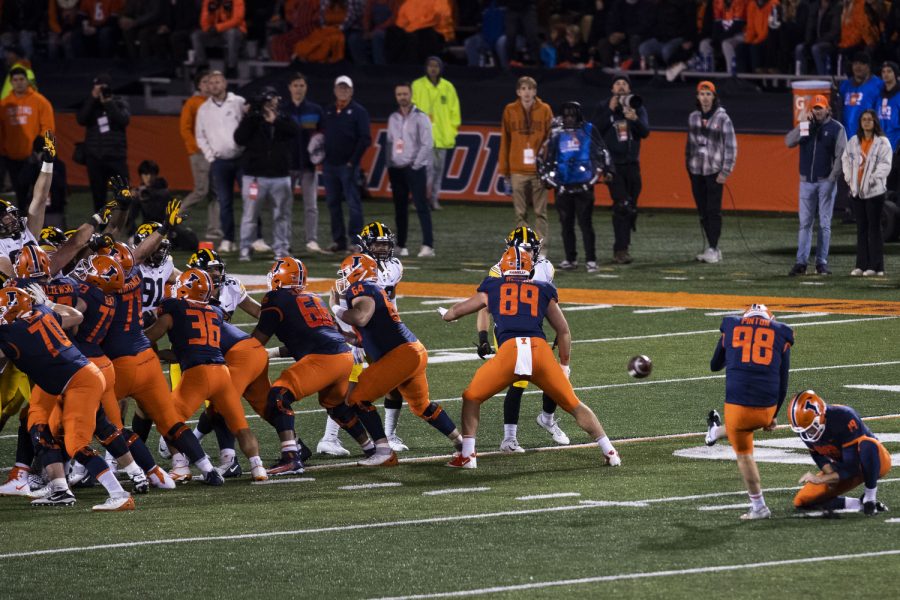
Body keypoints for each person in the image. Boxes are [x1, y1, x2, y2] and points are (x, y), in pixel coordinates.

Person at [441, 246, 621, 469]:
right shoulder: (543, 289)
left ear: (503, 267)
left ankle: (468, 456)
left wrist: (446, 315)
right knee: (573, 404)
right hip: (539, 351)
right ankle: (610, 451)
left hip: (510, 352)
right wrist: (564, 364)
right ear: (530, 267)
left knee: (471, 397)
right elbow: (563, 331)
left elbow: (456, 312)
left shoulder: (493, 286)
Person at [0, 286, 135, 510]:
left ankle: (119, 494)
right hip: (79, 376)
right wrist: (50, 304)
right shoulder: (42, 311)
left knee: (76, 444)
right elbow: (76, 316)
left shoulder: (10, 333)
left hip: (78, 382)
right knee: (40, 424)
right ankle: (60, 490)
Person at [331, 253, 464, 466]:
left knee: (356, 398)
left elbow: (361, 317)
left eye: (346, 273)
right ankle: (463, 447)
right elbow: (365, 337)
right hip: (413, 351)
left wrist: (336, 308)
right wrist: (339, 331)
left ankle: (383, 451)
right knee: (422, 406)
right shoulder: (372, 289)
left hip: (401, 355)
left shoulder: (362, 287)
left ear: (359, 271)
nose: (344, 278)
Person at [144, 268, 268, 482]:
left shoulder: (174, 308)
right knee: (240, 425)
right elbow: (194, 346)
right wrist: (165, 354)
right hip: (221, 372)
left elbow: (150, 337)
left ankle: (181, 466)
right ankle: (258, 467)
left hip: (197, 375)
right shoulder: (215, 311)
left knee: (167, 417)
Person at [251, 257, 357, 474]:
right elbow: (309, 338)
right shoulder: (313, 297)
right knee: (336, 405)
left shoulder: (275, 297)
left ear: (278, 278)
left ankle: (291, 456)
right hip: (344, 355)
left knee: (278, 396)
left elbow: (256, 341)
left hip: (323, 358)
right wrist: (273, 352)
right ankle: (372, 446)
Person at [475, 227, 571, 453]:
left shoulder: (545, 267)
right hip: (508, 331)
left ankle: (547, 418)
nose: (528, 253)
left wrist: (559, 330)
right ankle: (509, 439)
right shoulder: (499, 271)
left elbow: (550, 303)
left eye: (531, 249)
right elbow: (483, 306)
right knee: (518, 382)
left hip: (534, 328)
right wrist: (482, 337)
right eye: (524, 249)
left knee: (555, 376)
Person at [704, 303, 793, 520]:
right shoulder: (781, 332)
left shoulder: (732, 325)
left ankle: (759, 506)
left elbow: (715, 365)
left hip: (737, 408)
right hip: (766, 406)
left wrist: (734, 349)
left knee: (744, 452)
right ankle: (713, 432)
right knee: (740, 428)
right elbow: (783, 382)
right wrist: (772, 416)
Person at [788, 390, 891, 516]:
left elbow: (852, 467)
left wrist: (822, 479)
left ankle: (870, 498)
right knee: (802, 501)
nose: (808, 433)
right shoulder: (805, 429)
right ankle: (859, 504)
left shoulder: (843, 416)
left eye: (811, 427)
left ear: (820, 414)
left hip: (875, 462)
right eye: (805, 430)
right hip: (842, 467)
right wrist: (830, 474)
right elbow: (817, 454)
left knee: (867, 444)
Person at [541, 101, 612, 273]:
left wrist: (607, 170)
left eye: (573, 115)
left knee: (585, 223)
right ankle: (570, 258)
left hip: (584, 184)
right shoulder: (557, 132)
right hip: (563, 184)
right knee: (566, 224)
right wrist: (547, 176)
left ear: (578, 115)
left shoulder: (588, 129)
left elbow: (602, 150)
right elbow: (548, 155)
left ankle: (591, 259)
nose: (570, 118)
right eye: (567, 115)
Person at [233, 86, 300, 262]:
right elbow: (239, 138)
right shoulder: (253, 119)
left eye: (273, 99)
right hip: (255, 176)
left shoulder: (284, 118)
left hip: (280, 176)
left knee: (282, 215)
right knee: (250, 215)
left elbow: (295, 132)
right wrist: (251, 117)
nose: (271, 104)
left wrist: (275, 121)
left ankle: (281, 250)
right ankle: (245, 249)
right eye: (267, 100)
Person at [785, 94, 846, 276]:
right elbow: (789, 142)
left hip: (825, 181)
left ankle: (821, 262)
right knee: (805, 223)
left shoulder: (836, 128)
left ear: (828, 109)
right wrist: (803, 124)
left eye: (821, 108)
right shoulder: (806, 127)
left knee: (824, 224)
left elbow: (841, 154)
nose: (818, 111)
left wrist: (832, 177)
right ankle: (801, 263)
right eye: (815, 108)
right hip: (806, 181)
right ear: (811, 110)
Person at [593, 74, 649, 265]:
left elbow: (645, 132)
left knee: (631, 207)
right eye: (617, 83)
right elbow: (595, 131)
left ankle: (625, 241)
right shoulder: (603, 106)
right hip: (613, 166)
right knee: (622, 205)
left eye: (625, 83)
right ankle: (620, 250)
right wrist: (610, 111)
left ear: (629, 89)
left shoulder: (637, 106)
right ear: (612, 89)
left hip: (632, 165)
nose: (621, 86)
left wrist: (634, 119)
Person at [499, 77, 553, 257]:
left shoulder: (545, 110)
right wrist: (504, 170)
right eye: (524, 88)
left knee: (540, 213)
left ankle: (541, 250)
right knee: (520, 214)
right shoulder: (510, 110)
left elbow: (550, 140)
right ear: (518, 92)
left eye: (530, 89)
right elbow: (505, 141)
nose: (527, 92)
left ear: (535, 91)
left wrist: (548, 166)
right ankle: (524, 248)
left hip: (538, 170)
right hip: (517, 169)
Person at [686, 81, 737, 264]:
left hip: (714, 171)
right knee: (702, 211)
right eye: (702, 94)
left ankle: (714, 247)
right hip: (696, 171)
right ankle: (711, 246)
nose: (705, 97)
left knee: (713, 210)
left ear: (714, 97)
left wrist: (725, 171)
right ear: (697, 97)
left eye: (708, 94)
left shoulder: (723, 118)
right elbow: (689, 146)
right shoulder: (693, 117)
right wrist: (689, 168)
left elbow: (731, 147)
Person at [195, 70, 245, 254]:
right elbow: (200, 137)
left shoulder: (238, 102)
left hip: (241, 159)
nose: (214, 85)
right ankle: (228, 239)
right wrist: (211, 156)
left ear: (224, 83)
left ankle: (255, 238)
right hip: (220, 162)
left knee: (250, 199)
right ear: (208, 86)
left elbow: (248, 126)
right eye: (211, 82)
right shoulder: (203, 109)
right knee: (224, 202)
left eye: (218, 81)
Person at [321, 76, 371, 253]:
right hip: (330, 165)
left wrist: (353, 161)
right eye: (340, 88)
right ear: (335, 90)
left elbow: (365, 138)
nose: (343, 91)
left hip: (348, 166)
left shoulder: (359, 112)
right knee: (333, 203)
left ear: (351, 91)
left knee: (353, 204)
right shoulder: (327, 111)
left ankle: (356, 241)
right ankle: (338, 241)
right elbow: (322, 136)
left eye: (346, 88)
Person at [842, 109, 892, 276]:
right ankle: (861, 265)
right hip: (858, 192)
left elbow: (886, 164)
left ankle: (875, 265)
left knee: (874, 228)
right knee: (861, 228)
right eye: (864, 119)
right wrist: (849, 179)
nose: (866, 122)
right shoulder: (854, 141)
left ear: (875, 122)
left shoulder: (882, 142)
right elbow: (845, 160)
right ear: (860, 122)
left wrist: (873, 178)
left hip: (875, 192)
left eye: (870, 119)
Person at [386, 82, 434, 258]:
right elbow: (390, 142)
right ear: (396, 96)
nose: (402, 97)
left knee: (421, 206)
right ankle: (401, 245)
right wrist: (391, 164)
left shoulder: (421, 117)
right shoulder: (393, 118)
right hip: (397, 169)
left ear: (411, 95)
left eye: (405, 94)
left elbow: (427, 144)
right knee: (400, 209)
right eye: (399, 94)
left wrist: (415, 165)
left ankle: (428, 245)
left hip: (415, 168)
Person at [283, 72, 326, 255]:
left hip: (308, 166)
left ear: (306, 87)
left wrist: (319, 159)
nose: (298, 89)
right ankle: (284, 241)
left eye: (301, 85)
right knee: (285, 205)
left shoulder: (315, 110)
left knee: (311, 205)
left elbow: (322, 137)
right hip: (287, 166)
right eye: (295, 85)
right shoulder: (283, 110)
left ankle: (312, 240)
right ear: (289, 88)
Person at [411, 56, 460, 212]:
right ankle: (419, 200)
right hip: (423, 137)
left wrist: (451, 132)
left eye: (436, 66)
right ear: (426, 67)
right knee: (425, 171)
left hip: (442, 138)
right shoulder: (417, 85)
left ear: (440, 68)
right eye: (430, 65)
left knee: (438, 171)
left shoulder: (448, 87)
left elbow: (455, 112)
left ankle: (434, 200)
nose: (433, 68)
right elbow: (411, 110)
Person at [1, 67, 54, 207]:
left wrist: (44, 150)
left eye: (21, 79)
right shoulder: (4, 104)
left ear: (27, 81)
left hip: (34, 157)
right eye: (15, 80)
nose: (19, 83)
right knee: (20, 195)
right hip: (12, 157)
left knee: (39, 195)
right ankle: (24, 226)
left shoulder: (40, 101)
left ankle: (41, 225)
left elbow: (48, 128)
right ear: (11, 82)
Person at [180, 70, 223, 242]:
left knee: (215, 193)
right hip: (199, 153)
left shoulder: (215, 103)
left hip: (214, 153)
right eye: (205, 82)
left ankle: (214, 231)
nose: (208, 85)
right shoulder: (192, 103)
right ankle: (170, 220)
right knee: (201, 191)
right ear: (199, 85)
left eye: (211, 82)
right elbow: (185, 129)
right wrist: (197, 148)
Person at [76, 73, 129, 213]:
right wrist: (93, 98)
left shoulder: (119, 101)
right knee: (98, 196)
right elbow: (81, 119)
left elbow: (123, 120)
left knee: (123, 193)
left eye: (104, 87)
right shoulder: (90, 103)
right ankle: (102, 227)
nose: (101, 90)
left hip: (115, 156)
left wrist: (109, 102)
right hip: (95, 157)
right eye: (98, 87)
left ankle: (127, 224)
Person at [191, 0, 247, 79]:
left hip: (235, 32)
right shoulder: (208, 1)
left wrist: (218, 28)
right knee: (196, 35)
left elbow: (237, 20)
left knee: (232, 33)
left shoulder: (237, 1)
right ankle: (202, 66)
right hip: (216, 34)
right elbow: (203, 22)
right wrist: (209, 23)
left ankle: (231, 67)